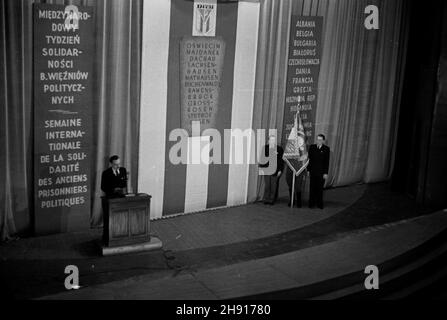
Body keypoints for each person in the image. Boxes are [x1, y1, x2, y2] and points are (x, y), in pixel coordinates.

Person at [259, 136, 284, 205]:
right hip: (266, 169)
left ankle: (271, 200)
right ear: (268, 140)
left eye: (274, 140)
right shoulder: (265, 148)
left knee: (273, 186)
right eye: (271, 140)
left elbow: (281, 161)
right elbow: (262, 158)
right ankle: (266, 199)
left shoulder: (279, 149)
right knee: (267, 185)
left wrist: (280, 170)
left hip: (275, 170)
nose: (272, 141)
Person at [308, 134, 330, 209]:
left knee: (320, 189)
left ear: (323, 141)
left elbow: (327, 162)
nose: (318, 141)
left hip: (321, 173)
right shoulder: (312, 147)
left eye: (320, 140)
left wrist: (325, 173)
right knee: (312, 188)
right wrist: (308, 170)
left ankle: (319, 204)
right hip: (313, 172)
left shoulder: (326, 149)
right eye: (317, 139)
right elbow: (309, 160)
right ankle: (311, 203)